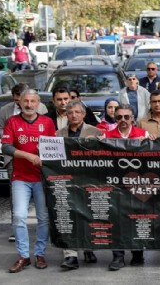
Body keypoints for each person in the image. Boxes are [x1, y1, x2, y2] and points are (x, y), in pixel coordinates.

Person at [2, 89, 56, 273]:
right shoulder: (12, 121)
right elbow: (7, 147)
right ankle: (23, 256)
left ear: (38, 102)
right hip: (20, 178)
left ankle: (40, 253)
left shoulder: (47, 122)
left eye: (33, 101)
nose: (29, 104)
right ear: (20, 102)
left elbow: (53, 148)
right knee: (19, 216)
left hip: (41, 178)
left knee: (43, 218)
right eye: (26, 101)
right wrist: (28, 156)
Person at [57, 101, 102, 270]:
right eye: (70, 112)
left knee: (89, 215)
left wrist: (97, 142)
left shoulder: (95, 131)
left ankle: (89, 248)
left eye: (77, 112)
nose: (73, 115)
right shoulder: (58, 134)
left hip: (90, 181)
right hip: (67, 183)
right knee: (68, 218)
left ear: (83, 114)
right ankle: (70, 256)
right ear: (66, 115)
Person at [103, 104, 148, 271]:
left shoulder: (143, 135)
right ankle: (118, 256)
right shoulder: (106, 136)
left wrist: (151, 143)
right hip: (115, 185)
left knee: (138, 218)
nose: (123, 120)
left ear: (133, 118)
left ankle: (138, 253)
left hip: (138, 184)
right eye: (119, 117)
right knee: (116, 220)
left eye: (126, 117)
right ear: (115, 119)